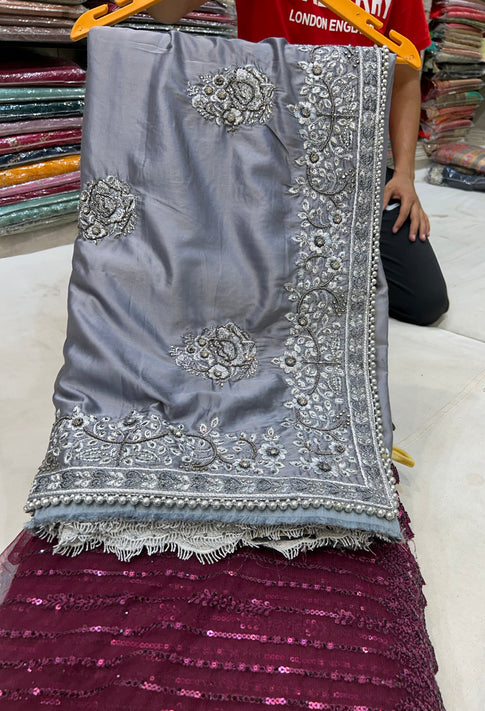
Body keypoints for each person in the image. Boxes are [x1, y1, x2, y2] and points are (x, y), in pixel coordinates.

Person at [0, 11, 445, 710]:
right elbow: (172, 12)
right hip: (265, 142)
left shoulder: (400, 10)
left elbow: (405, 71)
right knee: (193, 252)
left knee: (423, 294)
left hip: (347, 157)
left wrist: (402, 174)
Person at [149, 0, 450, 326]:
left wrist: (405, 174)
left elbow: (406, 78)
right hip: (258, 160)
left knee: (424, 300)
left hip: (347, 165)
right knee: (213, 290)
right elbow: (163, 12)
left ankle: (305, 253)